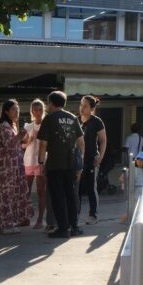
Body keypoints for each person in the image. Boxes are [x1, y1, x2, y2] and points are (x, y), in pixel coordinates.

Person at [37, 90, 85, 239]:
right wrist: (80, 161)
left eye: (48, 103)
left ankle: (63, 228)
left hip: (55, 164)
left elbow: (43, 144)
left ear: (51, 103)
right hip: (71, 164)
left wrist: (40, 162)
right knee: (71, 195)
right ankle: (75, 227)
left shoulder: (49, 119)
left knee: (57, 197)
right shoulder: (72, 118)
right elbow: (81, 142)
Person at [0, 100, 32, 233]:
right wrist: (20, 136)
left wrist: (24, 139)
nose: (17, 112)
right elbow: (9, 145)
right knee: (7, 195)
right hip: (7, 168)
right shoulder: (4, 126)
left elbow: (17, 146)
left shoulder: (11, 125)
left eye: (17, 109)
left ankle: (10, 223)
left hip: (13, 166)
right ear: (6, 111)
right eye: (14, 109)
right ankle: (6, 225)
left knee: (12, 195)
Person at [22, 99, 52, 231]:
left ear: (43, 110)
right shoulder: (28, 126)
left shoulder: (47, 125)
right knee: (26, 191)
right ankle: (26, 218)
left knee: (41, 191)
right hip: (28, 161)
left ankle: (40, 219)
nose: (37, 112)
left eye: (40, 109)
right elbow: (22, 145)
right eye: (34, 109)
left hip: (41, 161)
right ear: (31, 111)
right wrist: (29, 140)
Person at [78, 95, 107, 224]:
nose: (82, 108)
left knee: (91, 187)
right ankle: (75, 214)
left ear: (91, 108)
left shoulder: (97, 121)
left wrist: (100, 157)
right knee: (77, 188)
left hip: (91, 159)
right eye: (81, 105)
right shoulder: (76, 120)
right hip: (78, 159)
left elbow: (103, 140)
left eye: (85, 106)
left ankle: (93, 215)